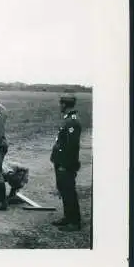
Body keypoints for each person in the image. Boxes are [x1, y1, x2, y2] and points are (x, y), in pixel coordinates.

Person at [50, 93, 82, 231]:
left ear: (64, 105)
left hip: (66, 163)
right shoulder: (69, 119)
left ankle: (74, 222)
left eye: (60, 104)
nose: (59, 106)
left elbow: (71, 147)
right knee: (63, 190)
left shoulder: (72, 122)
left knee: (68, 191)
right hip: (61, 161)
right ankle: (68, 217)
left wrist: (64, 164)